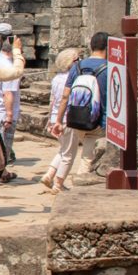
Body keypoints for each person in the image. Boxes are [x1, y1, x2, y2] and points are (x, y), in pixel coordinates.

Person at [50, 32, 109, 178]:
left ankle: (65, 180)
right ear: (108, 47)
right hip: (99, 121)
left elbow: (65, 96)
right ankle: (81, 184)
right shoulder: (109, 68)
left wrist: (58, 120)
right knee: (88, 157)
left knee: (78, 152)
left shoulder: (77, 67)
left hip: (76, 118)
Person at [40, 48, 81, 193]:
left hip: (56, 116)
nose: (80, 62)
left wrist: (51, 119)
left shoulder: (56, 78)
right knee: (69, 154)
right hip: (66, 118)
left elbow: (52, 101)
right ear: (71, 63)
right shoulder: (72, 79)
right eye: (78, 59)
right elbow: (67, 99)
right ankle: (59, 183)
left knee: (63, 149)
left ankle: (49, 174)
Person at [0, 40, 22, 180]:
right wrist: (9, 115)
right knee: (4, 148)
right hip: (4, 113)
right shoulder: (9, 67)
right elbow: (8, 93)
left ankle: (2, 173)